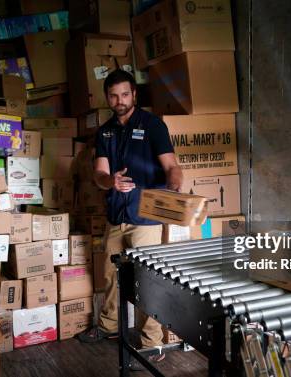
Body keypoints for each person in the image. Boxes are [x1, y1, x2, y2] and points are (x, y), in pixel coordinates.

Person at [78, 69, 183, 368]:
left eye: (125, 94)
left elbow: (171, 166)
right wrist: (110, 181)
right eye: (114, 95)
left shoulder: (152, 126)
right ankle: (109, 325)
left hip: (146, 217)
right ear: (107, 97)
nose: (120, 100)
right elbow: (99, 174)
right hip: (116, 215)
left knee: (146, 280)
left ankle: (152, 343)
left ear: (134, 95)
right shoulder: (105, 132)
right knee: (110, 275)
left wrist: (175, 189)